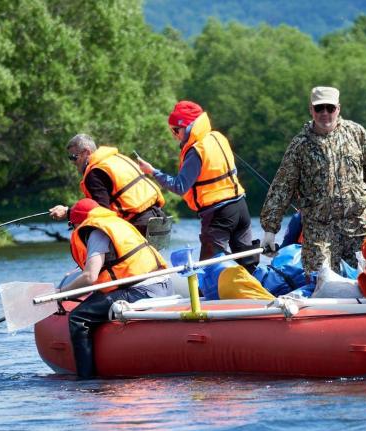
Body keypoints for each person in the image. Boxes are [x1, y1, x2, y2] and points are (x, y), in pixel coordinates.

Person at [260, 86, 366, 275]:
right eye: (319, 108)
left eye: (330, 108)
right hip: (320, 231)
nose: (325, 113)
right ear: (311, 110)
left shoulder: (356, 133)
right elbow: (282, 187)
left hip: (359, 225)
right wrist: (270, 230)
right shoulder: (300, 145)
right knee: (319, 280)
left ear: (338, 108)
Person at [59, 198, 173, 378]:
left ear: (77, 222)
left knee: (78, 317)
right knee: (96, 303)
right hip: (163, 284)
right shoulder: (116, 222)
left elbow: (90, 276)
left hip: (142, 289)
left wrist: (60, 294)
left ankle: (85, 379)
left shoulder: (95, 231)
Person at [137, 100, 258, 271]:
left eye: (176, 130)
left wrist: (153, 171)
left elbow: (180, 186)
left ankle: (206, 297)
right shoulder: (218, 137)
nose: (174, 135)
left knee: (209, 268)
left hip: (219, 214)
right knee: (248, 263)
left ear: (188, 127)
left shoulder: (196, 150)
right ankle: (259, 292)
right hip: (241, 207)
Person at [49, 134, 166, 236]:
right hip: (159, 218)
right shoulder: (116, 159)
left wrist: (69, 213)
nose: (73, 162)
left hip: (139, 224)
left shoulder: (94, 173)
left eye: (74, 157)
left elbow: (101, 212)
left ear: (87, 152)